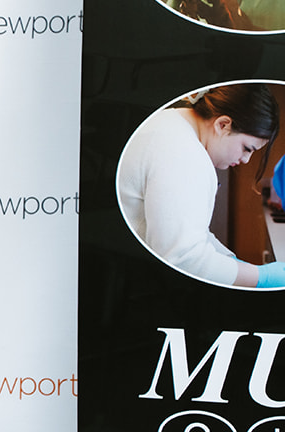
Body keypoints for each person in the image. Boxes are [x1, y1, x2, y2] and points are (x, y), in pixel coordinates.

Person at [117, 83, 285, 287]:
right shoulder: (184, 154)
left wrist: (231, 262)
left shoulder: (172, 123)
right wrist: (260, 277)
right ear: (223, 124)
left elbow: (193, 233)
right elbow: (183, 258)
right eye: (246, 148)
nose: (245, 160)